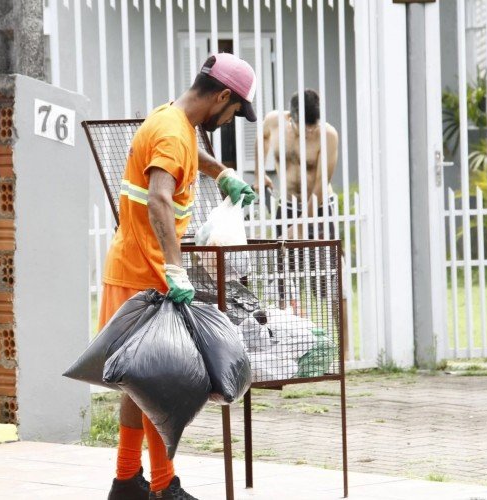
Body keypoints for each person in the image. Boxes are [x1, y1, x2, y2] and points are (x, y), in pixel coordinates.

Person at [103, 53, 257, 500]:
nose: (231, 121)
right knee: (157, 379)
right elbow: (159, 201)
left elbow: (186, 151)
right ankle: (161, 484)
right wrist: (175, 268)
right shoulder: (172, 131)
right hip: (145, 274)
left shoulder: (172, 120)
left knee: (141, 380)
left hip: (137, 268)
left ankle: (128, 480)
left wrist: (220, 171)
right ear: (222, 96)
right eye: (233, 112)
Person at [255, 89, 339, 240]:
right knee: (286, 261)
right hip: (288, 203)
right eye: (306, 128)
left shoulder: (328, 135)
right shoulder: (274, 122)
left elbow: (321, 182)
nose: (310, 132)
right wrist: (259, 174)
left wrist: (300, 225)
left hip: (319, 206)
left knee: (325, 262)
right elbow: (262, 138)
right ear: (292, 118)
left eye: (314, 126)